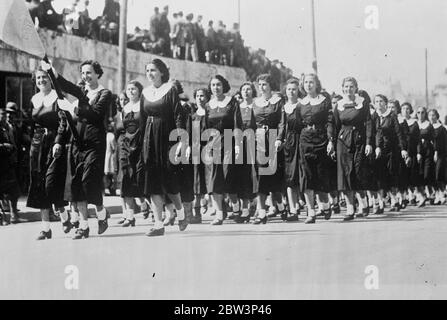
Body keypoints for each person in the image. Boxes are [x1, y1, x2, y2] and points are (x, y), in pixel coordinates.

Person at [41, 59, 112, 240]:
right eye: (83, 73)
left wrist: (73, 107)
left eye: (89, 73)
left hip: (94, 143)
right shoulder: (81, 91)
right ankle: (84, 226)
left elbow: (95, 114)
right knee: (77, 185)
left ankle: (102, 214)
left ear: (97, 73)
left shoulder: (105, 93)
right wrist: (52, 72)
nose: (85, 76)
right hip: (76, 143)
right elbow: (65, 85)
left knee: (88, 181)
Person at [141, 59, 187, 236]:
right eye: (147, 71)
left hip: (167, 137)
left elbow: (178, 116)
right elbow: (142, 119)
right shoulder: (145, 93)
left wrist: (181, 140)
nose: (150, 74)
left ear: (161, 72)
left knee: (169, 181)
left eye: (153, 70)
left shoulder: (170, 90)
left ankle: (181, 212)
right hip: (149, 139)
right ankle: (158, 224)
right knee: (152, 182)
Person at [27, 67, 70, 240]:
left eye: (44, 77)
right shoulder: (34, 99)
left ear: (50, 79)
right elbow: (31, 124)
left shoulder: (58, 97)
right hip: (37, 145)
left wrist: (58, 141)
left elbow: (63, 122)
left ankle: (63, 214)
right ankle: (45, 228)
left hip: (53, 143)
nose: (41, 80)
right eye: (38, 78)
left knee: (51, 184)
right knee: (38, 184)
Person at [332, 77, 375, 221]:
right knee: (345, 174)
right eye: (346, 87)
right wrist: (331, 142)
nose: (348, 89)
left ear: (356, 88)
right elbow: (335, 125)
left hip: (359, 141)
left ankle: (363, 202)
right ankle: (350, 208)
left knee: (358, 172)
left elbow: (369, 123)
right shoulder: (339, 105)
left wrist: (369, 142)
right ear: (342, 88)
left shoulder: (362, 103)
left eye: (351, 86)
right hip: (343, 142)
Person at [204, 75, 242, 225]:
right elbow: (206, 127)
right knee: (214, 178)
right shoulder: (208, 105)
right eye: (213, 85)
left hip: (229, 141)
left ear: (224, 86)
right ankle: (219, 213)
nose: (215, 88)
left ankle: (236, 208)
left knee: (228, 176)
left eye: (218, 85)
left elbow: (237, 124)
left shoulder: (232, 103)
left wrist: (238, 144)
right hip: (213, 142)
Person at [298, 74, 333, 223]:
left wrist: (330, 140)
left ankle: (325, 206)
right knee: (307, 177)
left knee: (320, 177)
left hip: (321, 140)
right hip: (305, 140)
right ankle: (310, 212)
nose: (308, 85)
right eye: (306, 82)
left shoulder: (324, 102)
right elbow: (297, 123)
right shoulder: (301, 104)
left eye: (311, 82)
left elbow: (330, 122)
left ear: (317, 84)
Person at [252, 74, 286, 224]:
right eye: (259, 85)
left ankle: (280, 206)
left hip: (273, 139)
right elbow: (251, 123)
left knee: (274, 175)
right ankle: (261, 213)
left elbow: (282, 122)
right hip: (259, 139)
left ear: (271, 85)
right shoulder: (255, 103)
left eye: (264, 84)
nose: (261, 87)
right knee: (260, 176)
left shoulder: (278, 102)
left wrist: (279, 138)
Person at [115, 80, 148, 227]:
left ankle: (149, 207)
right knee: (126, 180)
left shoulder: (144, 106)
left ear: (139, 91)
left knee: (141, 179)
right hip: (126, 147)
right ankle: (129, 217)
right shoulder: (125, 108)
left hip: (140, 146)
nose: (131, 91)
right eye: (128, 89)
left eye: (133, 89)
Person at [374, 95, 407, 212]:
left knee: (391, 173)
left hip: (391, 149)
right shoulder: (373, 116)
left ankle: (394, 200)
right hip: (377, 150)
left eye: (381, 101)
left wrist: (403, 148)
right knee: (379, 175)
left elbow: (398, 133)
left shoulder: (391, 116)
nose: (379, 104)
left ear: (385, 103)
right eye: (376, 101)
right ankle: (381, 203)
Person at [277, 78, 302, 222]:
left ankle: (310, 204)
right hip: (289, 143)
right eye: (288, 89)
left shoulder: (302, 104)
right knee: (289, 177)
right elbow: (281, 125)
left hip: (303, 140)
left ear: (298, 90)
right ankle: (293, 209)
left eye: (293, 89)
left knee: (302, 175)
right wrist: (280, 139)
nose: (291, 92)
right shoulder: (284, 107)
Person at [234, 82, 258, 223]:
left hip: (256, 143)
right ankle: (245, 209)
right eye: (243, 89)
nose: (246, 92)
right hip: (241, 144)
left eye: (248, 89)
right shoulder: (237, 107)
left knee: (256, 174)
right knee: (243, 176)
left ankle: (259, 206)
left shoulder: (257, 105)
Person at [187, 88, 210, 224]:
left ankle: (218, 206)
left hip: (210, 148)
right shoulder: (192, 116)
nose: (200, 98)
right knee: (197, 181)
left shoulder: (210, 114)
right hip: (196, 150)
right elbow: (189, 134)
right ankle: (197, 213)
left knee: (210, 178)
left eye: (202, 96)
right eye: (197, 96)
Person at [0, 108, 22, 226]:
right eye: (2, 115)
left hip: (7, 163)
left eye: (5, 115)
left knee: (13, 190)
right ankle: (3, 217)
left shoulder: (6, 128)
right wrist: (5, 146)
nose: (4, 117)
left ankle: (13, 214)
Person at [400, 102, 422, 206]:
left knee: (413, 174)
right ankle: (405, 198)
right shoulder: (398, 121)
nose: (405, 110)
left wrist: (418, 153)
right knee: (403, 174)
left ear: (411, 110)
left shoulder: (414, 123)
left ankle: (416, 196)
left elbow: (418, 139)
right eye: (403, 108)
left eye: (407, 109)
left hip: (412, 151)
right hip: (401, 150)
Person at [415, 107, 435, 207]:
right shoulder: (414, 124)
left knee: (426, 173)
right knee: (418, 173)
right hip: (417, 151)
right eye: (418, 112)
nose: (420, 114)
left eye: (422, 112)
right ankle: (421, 196)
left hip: (427, 151)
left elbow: (433, 140)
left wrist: (435, 152)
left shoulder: (429, 125)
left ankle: (430, 192)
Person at [429, 109, 447, 205]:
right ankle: (437, 195)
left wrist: (437, 152)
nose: (432, 117)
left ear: (437, 116)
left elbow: (443, 143)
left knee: (438, 174)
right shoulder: (428, 127)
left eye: (433, 115)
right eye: (430, 115)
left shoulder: (441, 129)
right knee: (432, 175)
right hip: (429, 154)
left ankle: (442, 194)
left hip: (440, 154)